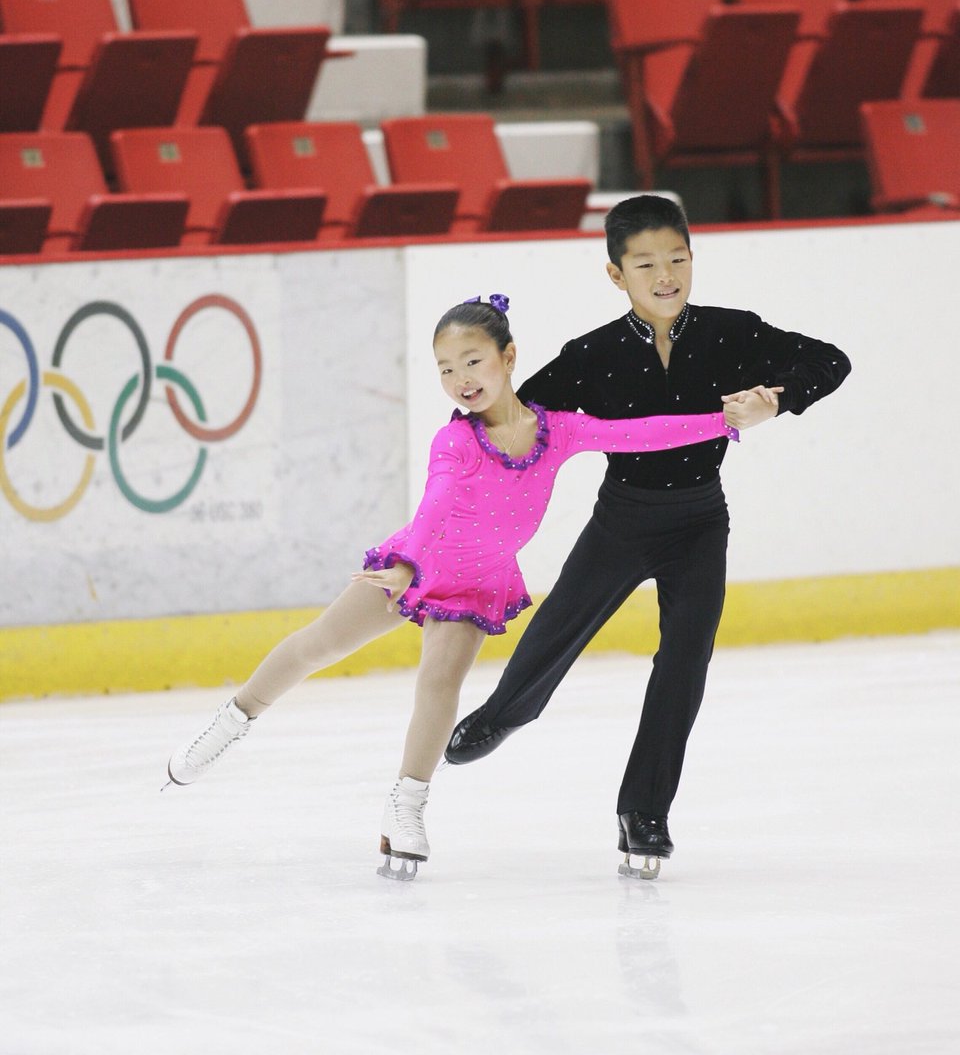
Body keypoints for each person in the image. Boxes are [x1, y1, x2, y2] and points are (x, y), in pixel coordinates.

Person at [164, 293, 738, 880]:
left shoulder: (557, 431)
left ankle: (405, 808)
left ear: (508, 357)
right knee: (321, 646)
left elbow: (640, 434)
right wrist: (409, 564)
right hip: (419, 561)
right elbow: (434, 504)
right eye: (445, 368)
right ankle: (233, 721)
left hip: (477, 582)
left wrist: (724, 422)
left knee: (440, 684)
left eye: (472, 361)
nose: (460, 379)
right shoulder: (456, 442)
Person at [445, 195, 852, 880]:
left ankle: (645, 810)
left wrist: (775, 399)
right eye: (646, 264)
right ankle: (508, 711)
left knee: (684, 665)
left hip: (699, 522)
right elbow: (520, 418)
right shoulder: (593, 356)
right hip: (622, 521)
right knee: (555, 632)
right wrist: (470, 409)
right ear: (616, 275)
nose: (666, 276)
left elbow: (830, 360)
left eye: (677, 259)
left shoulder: (731, 334)